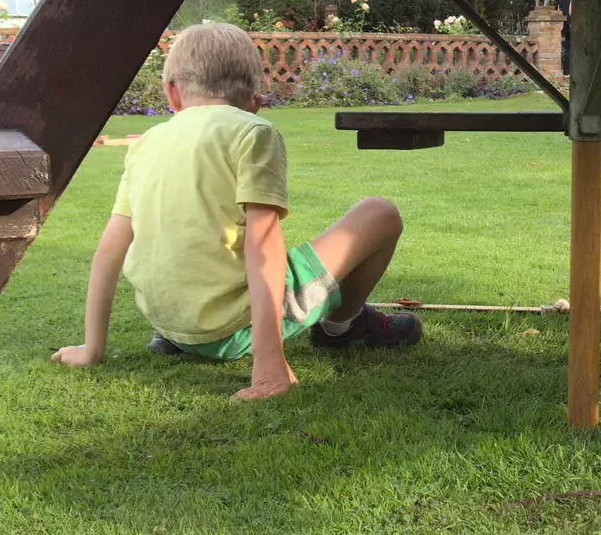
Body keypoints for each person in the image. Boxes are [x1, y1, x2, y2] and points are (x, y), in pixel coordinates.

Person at [52, 22, 422, 400]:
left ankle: (176, 339)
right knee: (379, 213)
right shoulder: (253, 132)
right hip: (230, 331)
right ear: (254, 100)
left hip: (171, 325)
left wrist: (91, 347)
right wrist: (269, 364)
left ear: (172, 93)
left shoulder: (146, 142)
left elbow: (111, 245)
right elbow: (262, 244)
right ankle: (341, 327)